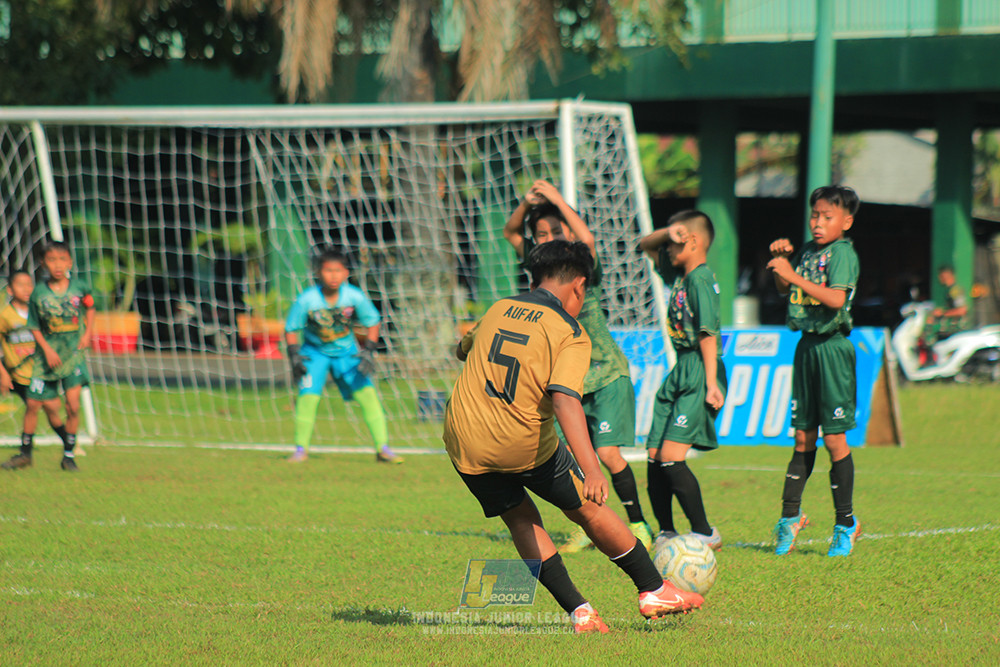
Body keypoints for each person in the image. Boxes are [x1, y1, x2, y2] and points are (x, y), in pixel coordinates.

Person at [444, 240, 703, 634]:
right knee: (587, 508)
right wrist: (591, 469)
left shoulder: (498, 307)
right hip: (520, 442)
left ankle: (580, 612)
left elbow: (462, 351)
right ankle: (653, 589)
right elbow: (565, 400)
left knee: (520, 518)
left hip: (463, 439)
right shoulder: (570, 331)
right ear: (580, 285)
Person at [503, 180, 654, 554]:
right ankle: (591, 524)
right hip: (568, 383)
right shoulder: (540, 272)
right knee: (572, 456)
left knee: (607, 455)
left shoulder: (581, 265)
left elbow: (585, 237)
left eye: (556, 231)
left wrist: (556, 198)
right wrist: (526, 203)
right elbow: (511, 232)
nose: (549, 238)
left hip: (606, 373)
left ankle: (639, 523)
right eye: (541, 234)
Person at [766, 185, 861, 557]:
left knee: (834, 439)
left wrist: (792, 274)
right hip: (805, 348)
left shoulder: (843, 253)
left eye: (827, 217)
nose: (818, 223)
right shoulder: (806, 251)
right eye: (815, 215)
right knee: (803, 437)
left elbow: (836, 298)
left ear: (846, 221)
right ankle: (790, 518)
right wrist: (781, 264)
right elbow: (785, 288)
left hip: (832, 349)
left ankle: (846, 523)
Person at [638, 211, 728, 552]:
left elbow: (708, 332)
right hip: (680, 370)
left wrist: (711, 383)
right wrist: (669, 231)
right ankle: (667, 532)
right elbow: (645, 245)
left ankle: (705, 532)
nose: (668, 249)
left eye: (675, 243)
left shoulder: (700, 278)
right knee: (654, 455)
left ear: (693, 242)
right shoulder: (680, 275)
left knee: (671, 456)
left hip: (699, 368)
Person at [283, 247, 401, 464]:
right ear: (318, 272)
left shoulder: (354, 296)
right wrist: (294, 356)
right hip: (314, 353)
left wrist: (369, 351)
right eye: (328, 270)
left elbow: (373, 322)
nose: (333, 275)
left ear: (346, 272)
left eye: (338, 270)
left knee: (368, 395)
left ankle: (383, 449)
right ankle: (300, 450)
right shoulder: (307, 299)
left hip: (348, 353)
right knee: (307, 398)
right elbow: (291, 328)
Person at [2, 243, 95, 472]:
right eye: (52, 260)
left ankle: (68, 454)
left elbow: (90, 305)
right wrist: (46, 350)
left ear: (70, 262)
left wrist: (88, 333)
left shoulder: (79, 287)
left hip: (70, 358)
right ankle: (26, 453)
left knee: (68, 407)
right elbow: (34, 326)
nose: (57, 265)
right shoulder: (36, 296)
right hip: (38, 363)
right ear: (43, 264)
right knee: (34, 404)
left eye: (62, 259)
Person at [925, 265, 970, 343]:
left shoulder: (955, 290)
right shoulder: (949, 290)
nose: (938, 278)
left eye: (940, 275)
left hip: (957, 331)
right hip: (951, 331)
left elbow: (962, 310)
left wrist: (942, 313)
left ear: (945, 276)